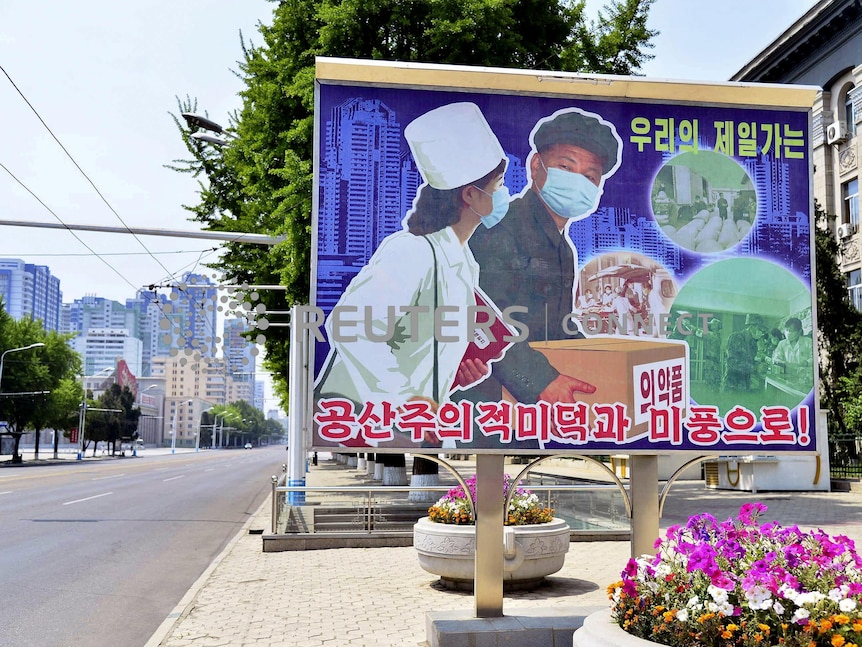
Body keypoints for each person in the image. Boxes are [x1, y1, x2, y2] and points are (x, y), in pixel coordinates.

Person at [314, 102, 509, 442]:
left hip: (406, 428)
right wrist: (408, 402)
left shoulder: (465, 263)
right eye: (498, 184)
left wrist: (454, 375)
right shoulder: (412, 251)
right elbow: (349, 328)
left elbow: (417, 349)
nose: (504, 194)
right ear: (470, 195)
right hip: (364, 420)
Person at [466, 107, 622, 404]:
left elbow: (557, 326)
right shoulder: (502, 229)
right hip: (489, 401)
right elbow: (483, 318)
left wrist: (603, 364)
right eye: (566, 167)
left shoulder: (563, 248)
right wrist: (540, 381)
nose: (578, 182)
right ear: (536, 165)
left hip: (533, 405)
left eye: (590, 177)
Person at [722, 313, 765, 392]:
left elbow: (748, 360)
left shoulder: (753, 343)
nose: (761, 332)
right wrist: (755, 367)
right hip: (732, 386)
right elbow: (733, 363)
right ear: (751, 327)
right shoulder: (736, 338)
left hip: (745, 385)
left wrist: (758, 364)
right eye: (759, 329)